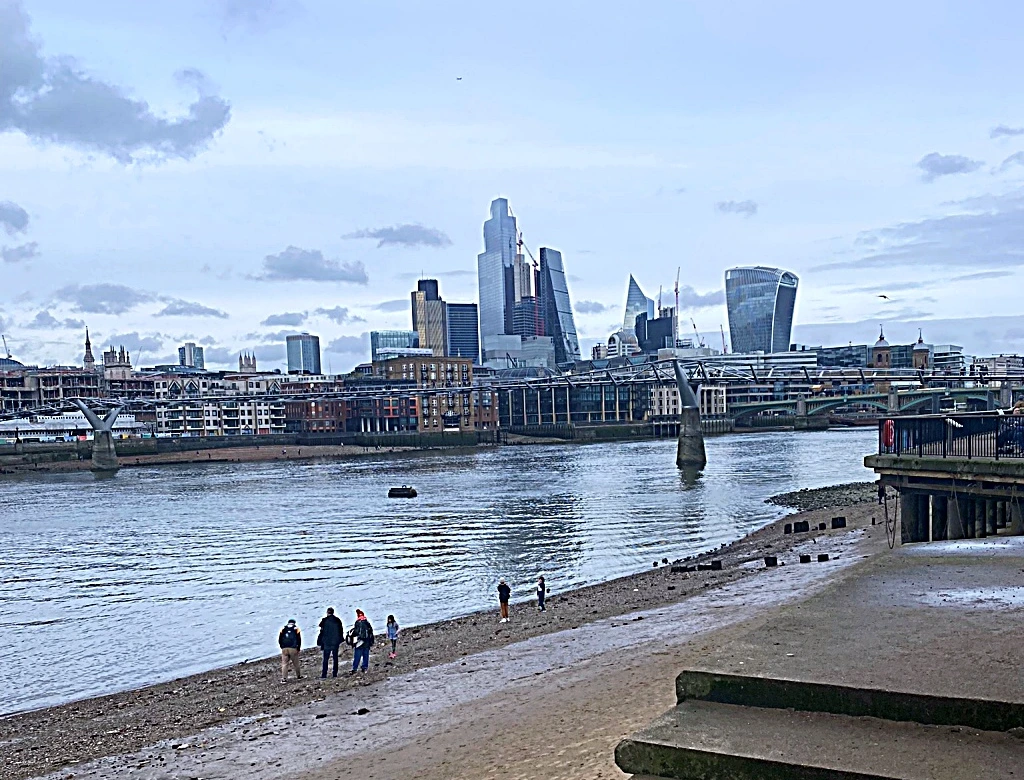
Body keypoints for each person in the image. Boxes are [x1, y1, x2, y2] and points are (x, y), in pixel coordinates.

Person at [317, 607, 344, 678]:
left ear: (327, 612)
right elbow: (341, 631)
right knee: (335, 658)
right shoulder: (337, 620)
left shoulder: (324, 620)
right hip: (335, 642)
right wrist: (340, 640)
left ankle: (324, 674)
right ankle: (335, 673)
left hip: (327, 642)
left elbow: (321, 630)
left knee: (326, 659)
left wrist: (320, 641)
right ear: (333, 612)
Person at [348, 609, 374, 674]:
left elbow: (356, 632)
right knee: (366, 655)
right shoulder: (367, 622)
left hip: (359, 642)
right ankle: (364, 668)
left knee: (357, 656)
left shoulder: (358, 622)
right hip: (367, 642)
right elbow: (371, 632)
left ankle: (355, 668)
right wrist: (371, 642)